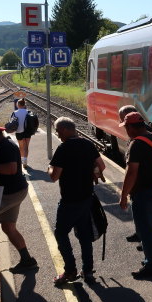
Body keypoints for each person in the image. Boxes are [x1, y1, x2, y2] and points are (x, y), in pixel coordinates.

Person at [48, 117, 106, 286]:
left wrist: (49, 166)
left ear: (66, 130)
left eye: (58, 131)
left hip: (70, 201)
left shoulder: (63, 149)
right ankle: (87, 272)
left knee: (60, 233)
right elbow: (101, 166)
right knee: (85, 236)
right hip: (87, 198)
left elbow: (54, 176)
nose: (58, 135)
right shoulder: (88, 145)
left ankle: (70, 270)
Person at [0, 120, 37, 273]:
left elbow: (11, 169)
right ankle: (27, 260)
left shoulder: (6, 146)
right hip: (14, 192)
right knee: (8, 227)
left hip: (10, 194)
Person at [119, 111, 152, 278]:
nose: (125, 130)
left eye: (126, 127)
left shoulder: (137, 144)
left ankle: (151, 264)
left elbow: (131, 173)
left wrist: (123, 195)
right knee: (149, 228)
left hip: (144, 194)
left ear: (131, 127)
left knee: (146, 231)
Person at [10, 99, 31, 168]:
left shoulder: (15, 113)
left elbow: (11, 122)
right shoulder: (28, 112)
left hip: (19, 131)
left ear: (18, 105)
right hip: (28, 131)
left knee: (21, 146)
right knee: (26, 146)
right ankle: (25, 161)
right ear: (24, 105)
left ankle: (22, 160)